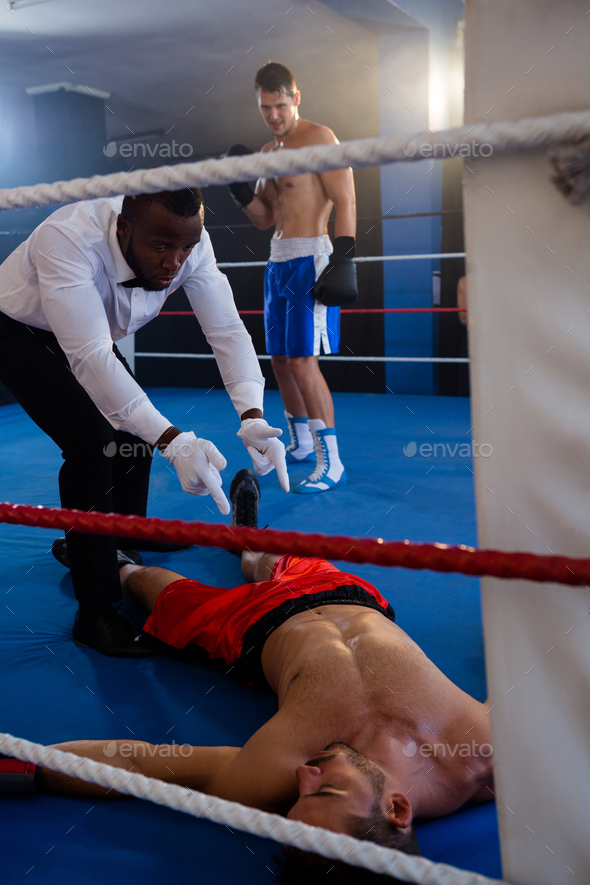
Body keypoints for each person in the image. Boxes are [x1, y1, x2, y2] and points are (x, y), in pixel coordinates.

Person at [19, 470, 494, 880]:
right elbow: (530, 673)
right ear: (396, 808)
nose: (304, 776)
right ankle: (245, 534)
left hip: (254, 631)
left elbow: (137, 763)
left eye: (297, 800)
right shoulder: (483, 753)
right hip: (347, 595)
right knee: (264, 556)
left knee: (166, 597)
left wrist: (17, 766)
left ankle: (115, 566)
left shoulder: (269, 775)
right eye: (324, 789)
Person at [0, 188, 288, 657]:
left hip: (86, 329)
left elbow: (226, 329)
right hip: (19, 329)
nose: (174, 262)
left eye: (185, 247)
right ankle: (94, 612)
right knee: (93, 442)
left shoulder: (190, 242)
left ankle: (125, 537)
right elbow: (90, 356)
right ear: (124, 229)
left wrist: (252, 413)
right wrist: (174, 441)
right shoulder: (68, 237)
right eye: (161, 247)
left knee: (131, 428)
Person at [225, 61, 358, 494]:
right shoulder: (268, 152)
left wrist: (344, 258)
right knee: (280, 360)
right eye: (266, 108)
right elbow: (265, 218)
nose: (274, 115)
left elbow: (346, 199)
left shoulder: (319, 138)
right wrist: (241, 192)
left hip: (310, 257)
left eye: (280, 106)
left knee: (303, 361)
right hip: (277, 259)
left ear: (295, 98)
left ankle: (331, 462)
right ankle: (301, 443)